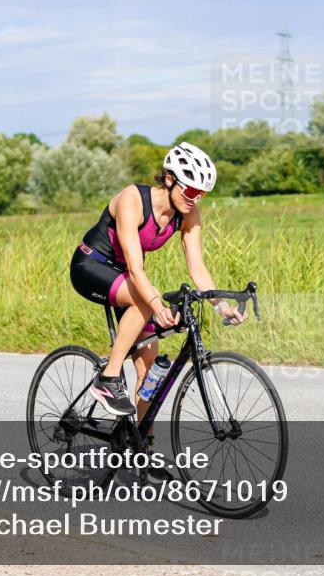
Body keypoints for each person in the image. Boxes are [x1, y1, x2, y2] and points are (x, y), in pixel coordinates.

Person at [70, 142, 247, 417]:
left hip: (127, 277)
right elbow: (135, 266)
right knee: (145, 299)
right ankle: (108, 378)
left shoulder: (188, 214)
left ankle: (141, 446)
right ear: (169, 179)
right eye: (190, 190)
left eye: (201, 194)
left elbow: (197, 267)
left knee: (151, 371)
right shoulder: (133, 199)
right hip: (91, 265)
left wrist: (220, 306)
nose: (194, 199)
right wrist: (157, 306)